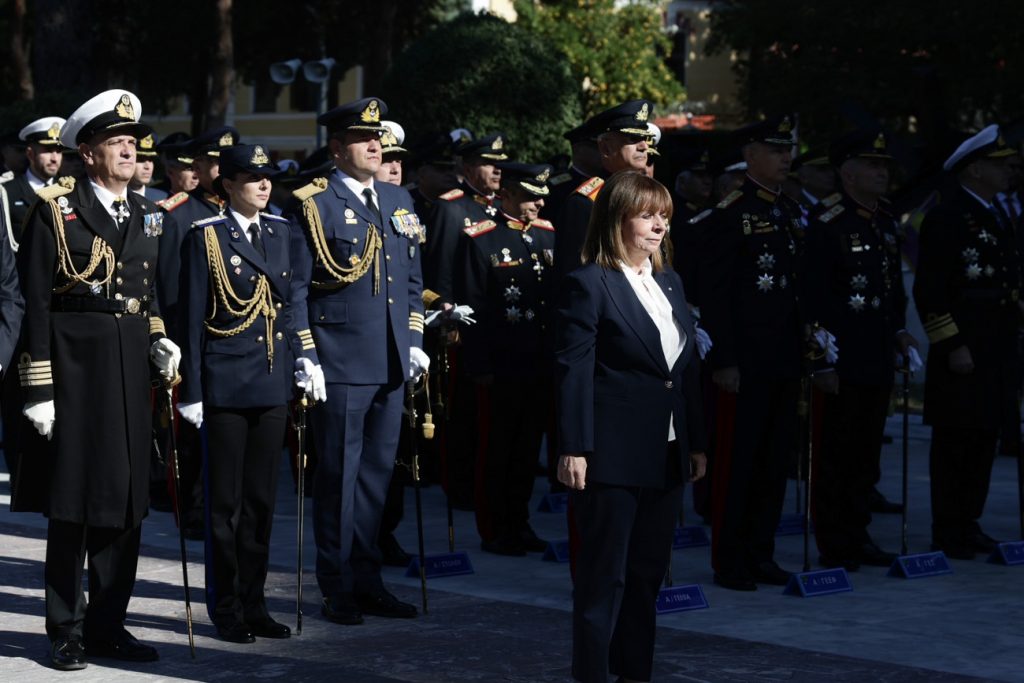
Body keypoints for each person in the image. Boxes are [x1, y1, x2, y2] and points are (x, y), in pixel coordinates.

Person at [16, 89, 180, 670]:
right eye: (116, 143)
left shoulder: (147, 213)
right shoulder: (55, 209)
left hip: (129, 368)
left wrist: (159, 336)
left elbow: (146, 292)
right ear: (88, 153)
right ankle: (65, 628)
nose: (129, 151)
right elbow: (35, 299)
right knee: (75, 505)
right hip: (76, 371)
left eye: (132, 142)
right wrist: (38, 385)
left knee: (127, 500)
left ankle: (111, 622)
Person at [557, 170, 706, 683]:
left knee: (646, 577)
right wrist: (573, 446)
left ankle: (634, 673)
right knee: (605, 579)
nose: (659, 225)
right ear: (615, 220)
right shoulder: (590, 283)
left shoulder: (669, 282)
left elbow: (682, 371)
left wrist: (696, 441)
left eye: (664, 215)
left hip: (665, 452)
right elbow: (574, 370)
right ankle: (593, 674)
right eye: (646, 215)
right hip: (611, 454)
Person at [288, 96, 427, 625]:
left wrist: (413, 339)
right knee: (339, 476)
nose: (377, 146)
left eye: (379, 139)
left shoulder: (398, 198)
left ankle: (369, 578)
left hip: (391, 357)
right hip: (340, 360)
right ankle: (336, 583)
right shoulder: (312, 202)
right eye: (364, 139)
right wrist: (306, 353)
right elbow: (297, 288)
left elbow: (412, 279)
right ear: (337, 147)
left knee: (376, 478)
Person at [176, 143, 323, 643]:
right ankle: (226, 606)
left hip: (272, 380)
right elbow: (193, 316)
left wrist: (306, 356)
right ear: (229, 185)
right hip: (225, 384)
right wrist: (191, 390)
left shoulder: (283, 233)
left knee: (261, 501)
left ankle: (256, 602)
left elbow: (295, 300)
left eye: (267, 178)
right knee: (225, 506)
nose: (264, 185)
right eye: (252, 177)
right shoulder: (207, 238)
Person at [694, 115, 808, 591]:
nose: (786, 158)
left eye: (789, 150)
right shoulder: (729, 214)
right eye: (775, 150)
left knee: (773, 460)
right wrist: (725, 360)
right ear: (752, 156)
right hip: (745, 359)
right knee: (738, 462)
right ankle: (731, 558)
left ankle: (761, 551)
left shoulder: (786, 210)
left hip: (782, 356)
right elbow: (716, 294)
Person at [805, 130, 917, 570]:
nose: (882, 173)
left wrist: (901, 334)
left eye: (884, 166)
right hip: (841, 355)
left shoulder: (885, 220)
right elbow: (813, 296)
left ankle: (858, 533)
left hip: (876, 353)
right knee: (837, 452)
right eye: (873, 165)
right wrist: (819, 360)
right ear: (847, 172)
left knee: (866, 453)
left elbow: (891, 290)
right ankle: (835, 542)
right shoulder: (829, 221)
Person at [913, 125, 1021, 559]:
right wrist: (951, 343)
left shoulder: (994, 214)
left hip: (995, 346)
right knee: (956, 439)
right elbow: (931, 290)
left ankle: (968, 522)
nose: (1009, 169)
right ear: (975, 170)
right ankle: (948, 527)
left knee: (983, 439)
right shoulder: (948, 215)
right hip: (964, 348)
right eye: (1000, 164)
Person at [455, 161, 556, 555]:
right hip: (502, 362)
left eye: (541, 196)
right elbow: (473, 304)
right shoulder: (481, 238)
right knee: (498, 448)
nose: (538, 203)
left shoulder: (548, 236)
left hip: (539, 359)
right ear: (508, 195)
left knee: (529, 449)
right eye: (530, 196)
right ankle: (494, 527)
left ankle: (520, 520)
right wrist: (479, 365)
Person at [554, 100, 653, 282]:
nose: (644, 146)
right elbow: (576, 276)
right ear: (606, 148)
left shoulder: (651, 194)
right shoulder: (586, 202)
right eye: (633, 139)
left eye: (645, 139)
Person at [5, 116, 66, 236]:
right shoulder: (7, 192)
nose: (54, 158)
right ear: (30, 154)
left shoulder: (69, 190)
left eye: (59, 151)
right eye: (48, 150)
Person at [129, 132, 167, 201]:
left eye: (151, 159)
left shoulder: (162, 198)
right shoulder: (112, 197)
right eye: (140, 160)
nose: (147, 167)